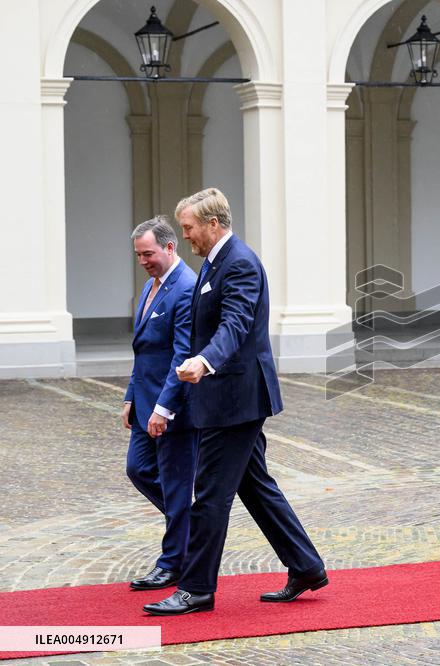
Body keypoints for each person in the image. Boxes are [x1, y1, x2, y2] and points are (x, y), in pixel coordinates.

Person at [143, 188, 326, 615]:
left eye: (189, 227)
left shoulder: (239, 262)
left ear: (213, 224)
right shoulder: (214, 261)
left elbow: (236, 324)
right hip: (226, 397)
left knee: (209, 494)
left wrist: (205, 361)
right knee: (255, 485)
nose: (185, 236)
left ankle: (196, 589)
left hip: (235, 399)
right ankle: (306, 566)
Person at [123, 216, 198, 591]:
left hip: (173, 409)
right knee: (138, 469)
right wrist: (130, 396)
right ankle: (193, 526)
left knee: (176, 484)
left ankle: (173, 563)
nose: (143, 261)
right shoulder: (150, 285)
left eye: (148, 254)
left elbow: (182, 356)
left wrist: (163, 409)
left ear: (170, 247)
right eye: (138, 255)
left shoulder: (186, 288)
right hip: (144, 402)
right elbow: (144, 351)